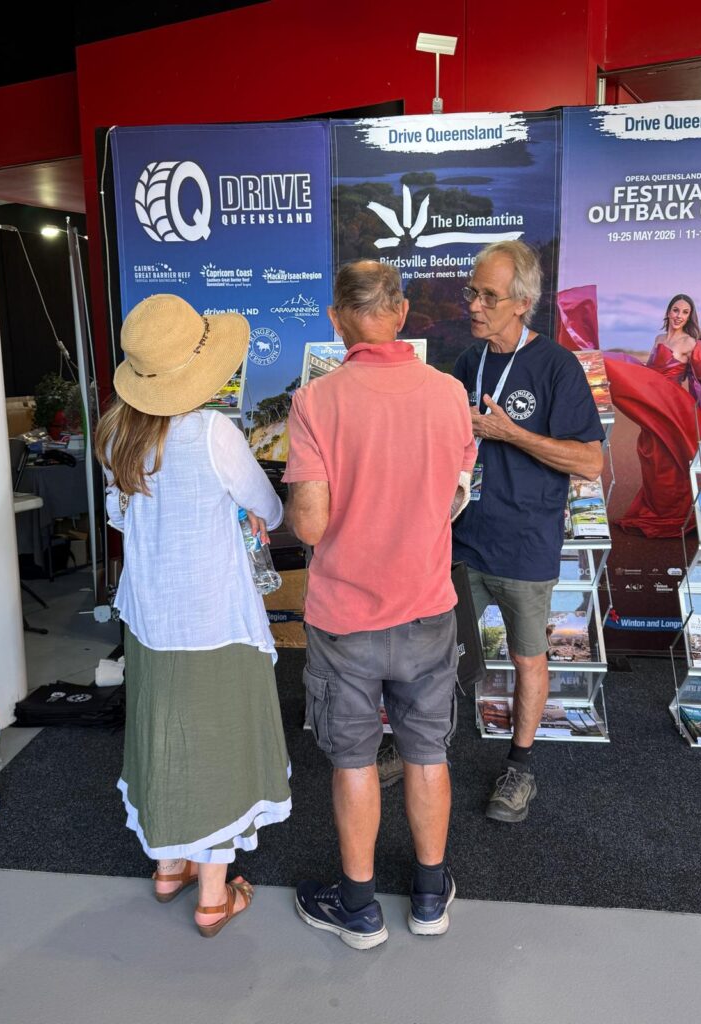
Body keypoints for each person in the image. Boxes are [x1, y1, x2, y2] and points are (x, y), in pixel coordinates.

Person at [283, 260, 476, 949]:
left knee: (355, 760)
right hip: (427, 607)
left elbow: (307, 525)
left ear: (336, 320)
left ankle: (360, 909)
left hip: (346, 618)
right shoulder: (451, 394)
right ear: (400, 315)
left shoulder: (316, 403)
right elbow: (456, 495)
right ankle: (430, 897)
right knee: (428, 752)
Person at [94, 294, 291, 937]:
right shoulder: (212, 433)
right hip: (214, 618)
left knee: (163, 732)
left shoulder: (119, 432)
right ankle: (213, 895)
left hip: (151, 618)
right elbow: (270, 506)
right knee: (220, 746)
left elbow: (118, 516)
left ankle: (167, 866)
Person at [452, 241, 604, 823]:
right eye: (473, 291)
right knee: (437, 653)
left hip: (525, 545)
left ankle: (520, 766)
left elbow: (589, 461)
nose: (475, 304)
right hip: (464, 539)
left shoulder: (557, 367)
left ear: (521, 303)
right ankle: (419, 747)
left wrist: (511, 433)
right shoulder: (469, 362)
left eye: (489, 296)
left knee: (527, 659)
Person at [609, 293, 701, 537]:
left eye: (685, 312)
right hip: (653, 402)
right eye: (676, 310)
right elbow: (650, 373)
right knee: (654, 456)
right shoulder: (658, 338)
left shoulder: (691, 342)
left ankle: (677, 513)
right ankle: (658, 510)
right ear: (668, 312)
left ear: (689, 317)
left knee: (674, 459)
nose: (679, 316)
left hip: (673, 404)